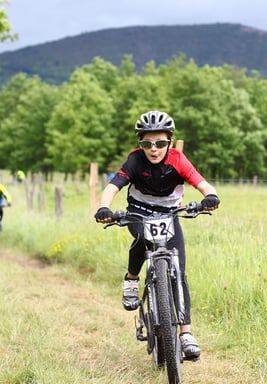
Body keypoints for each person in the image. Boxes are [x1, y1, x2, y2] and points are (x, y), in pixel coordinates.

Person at [94, 110, 220, 361]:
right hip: (139, 212)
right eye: (147, 144)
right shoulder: (135, 160)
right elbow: (112, 186)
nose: (154, 149)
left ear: (170, 142)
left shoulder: (178, 160)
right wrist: (104, 207)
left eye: (160, 143)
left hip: (169, 214)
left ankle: (186, 333)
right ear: (140, 144)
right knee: (142, 238)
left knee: (179, 271)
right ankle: (131, 280)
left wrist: (210, 197)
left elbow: (202, 183)